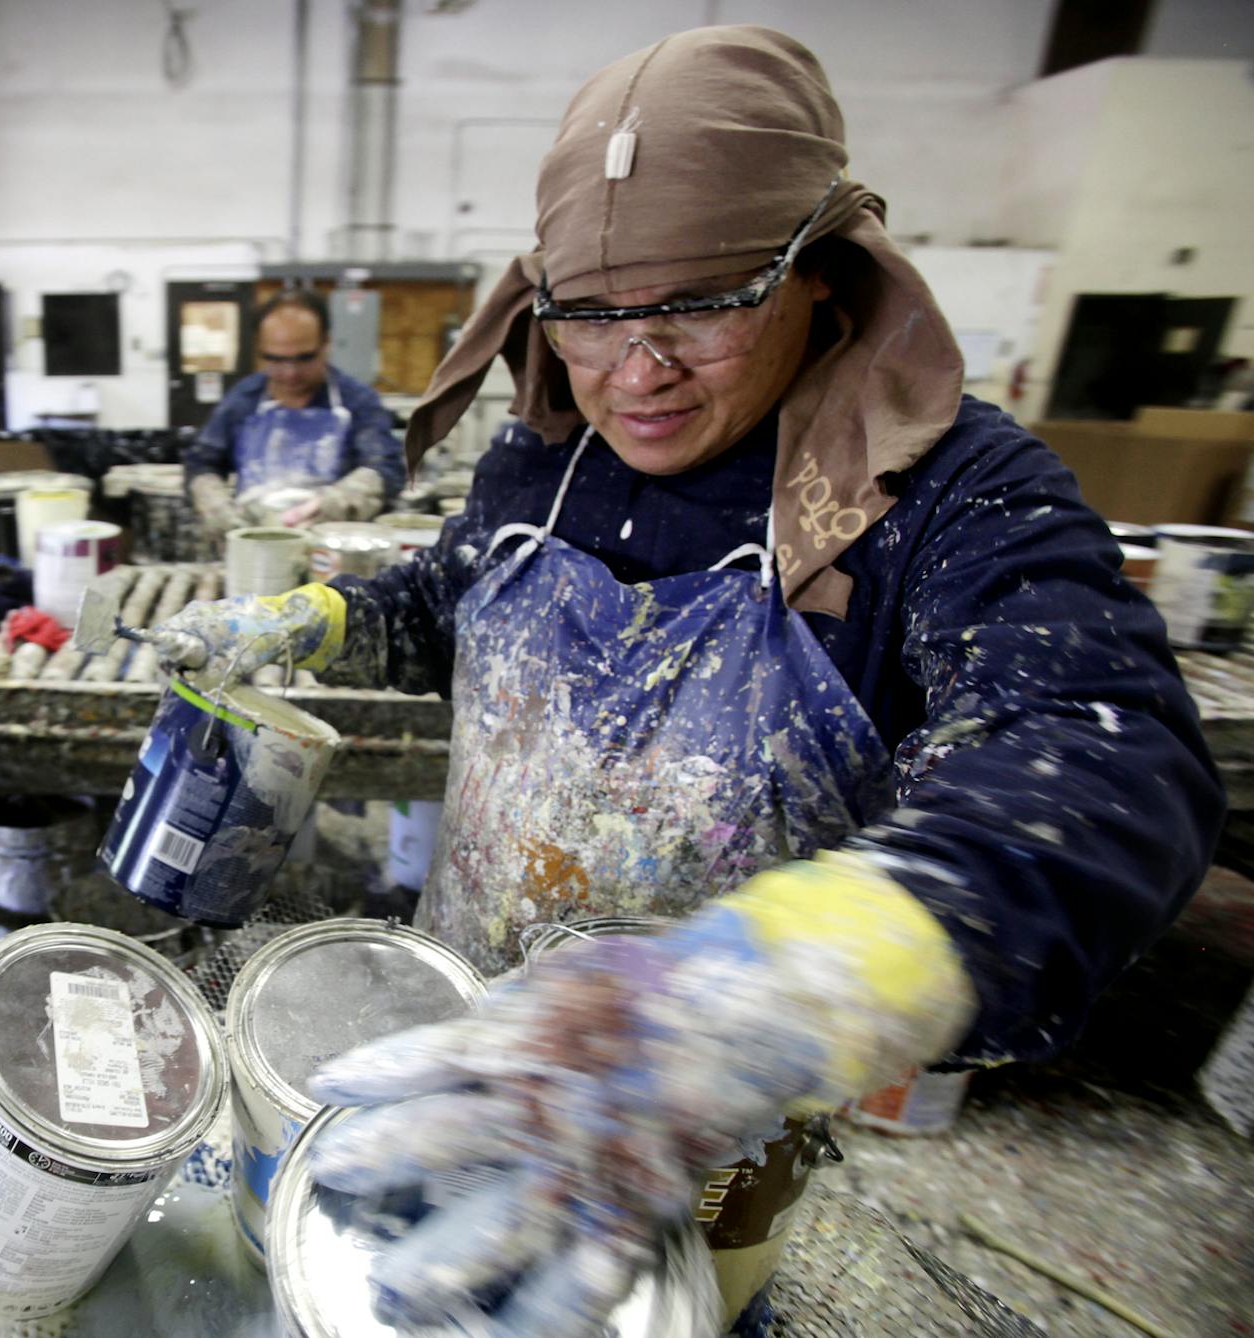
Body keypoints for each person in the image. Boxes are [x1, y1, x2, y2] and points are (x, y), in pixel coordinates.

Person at [150, 25, 1221, 1334]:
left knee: (685, 1307)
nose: (635, 369)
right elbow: (446, 606)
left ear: (820, 275)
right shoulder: (539, 460)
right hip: (476, 1052)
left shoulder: (945, 496)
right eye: (589, 313)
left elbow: (1109, 749)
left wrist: (774, 991)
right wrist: (321, 617)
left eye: (702, 304)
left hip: (717, 1124)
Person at [182, 289, 405, 538]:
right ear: (260, 348)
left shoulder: (356, 401)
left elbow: (386, 466)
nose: (290, 373)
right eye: (275, 359)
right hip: (256, 539)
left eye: (304, 358)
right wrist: (215, 504)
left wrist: (336, 504)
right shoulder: (243, 401)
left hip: (331, 547)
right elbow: (201, 462)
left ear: (326, 344)